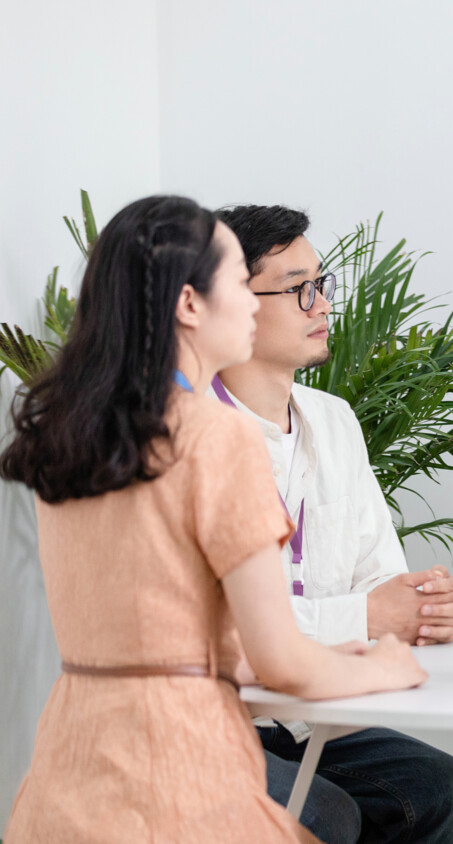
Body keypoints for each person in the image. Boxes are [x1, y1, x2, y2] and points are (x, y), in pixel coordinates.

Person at [0, 195, 426, 843]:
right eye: (238, 283)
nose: (254, 305)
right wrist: (384, 669)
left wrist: (318, 651)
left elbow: (159, 630)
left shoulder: (71, 431)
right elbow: (282, 663)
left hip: (74, 768)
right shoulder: (215, 435)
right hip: (181, 776)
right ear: (190, 303)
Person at [214, 205, 453, 844]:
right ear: (231, 303)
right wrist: (366, 617)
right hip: (222, 714)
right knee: (322, 815)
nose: (322, 305)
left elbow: (382, 577)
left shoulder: (333, 420)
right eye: (298, 288)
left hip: (318, 714)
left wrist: (420, 608)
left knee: (444, 792)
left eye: (323, 283)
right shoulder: (188, 434)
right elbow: (218, 630)